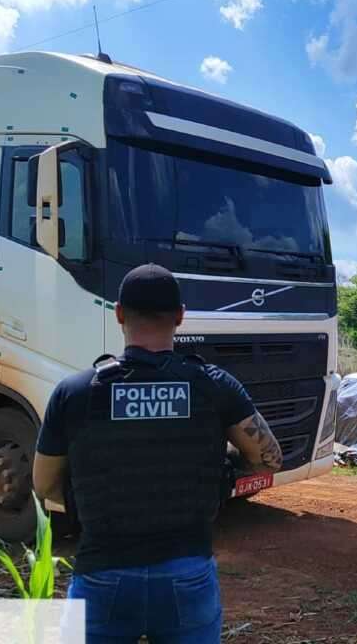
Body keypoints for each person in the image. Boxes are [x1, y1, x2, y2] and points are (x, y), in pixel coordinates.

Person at [33, 264, 284, 643]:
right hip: (187, 573)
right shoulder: (213, 385)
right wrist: (224, 470)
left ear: (118, 312)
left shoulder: (76, 392)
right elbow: (269, 458)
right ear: (180, 316)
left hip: (102, 574)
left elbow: (44, 485)